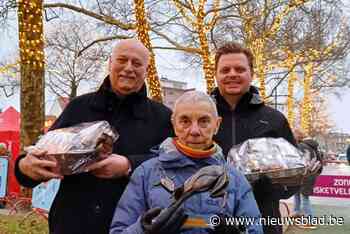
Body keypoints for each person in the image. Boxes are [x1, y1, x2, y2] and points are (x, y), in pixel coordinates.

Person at [15, 39, 173, 234]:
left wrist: (129, 164)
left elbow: (172, 164)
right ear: (110, 63)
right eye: (122, 60)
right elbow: (41, 152)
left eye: (137, 63)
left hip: (133, 226)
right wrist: (25, 166)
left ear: (146, 71)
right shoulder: (78, 107)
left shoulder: (163, 118)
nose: (128, 68)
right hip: (72, 224)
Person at [110, 91, 263, 234]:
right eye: (185, 121)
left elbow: (254, 228)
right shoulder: (146, 173)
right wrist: (143, 229)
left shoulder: (235, 178)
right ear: (174, 123)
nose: (194, 131)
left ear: (217, 125)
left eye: (204, 121)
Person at [211, 42, 299, 234]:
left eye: (240, 69)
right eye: (225, 69)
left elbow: (294, 177)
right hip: (209, 222)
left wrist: (274, 187)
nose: (232, 74)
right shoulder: (200, 118)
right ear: (216, 74)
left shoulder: (274, 119)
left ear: (251, 73)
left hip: (263, 220)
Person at [291, 129, 322, 229]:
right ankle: (296, 212)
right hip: (310, 173)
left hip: (305, 174)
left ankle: (309, 221)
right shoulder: (311, 145)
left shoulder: (302, 146)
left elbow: (300, 161)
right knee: (297, 192)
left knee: (304, 197)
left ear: (297, 136)